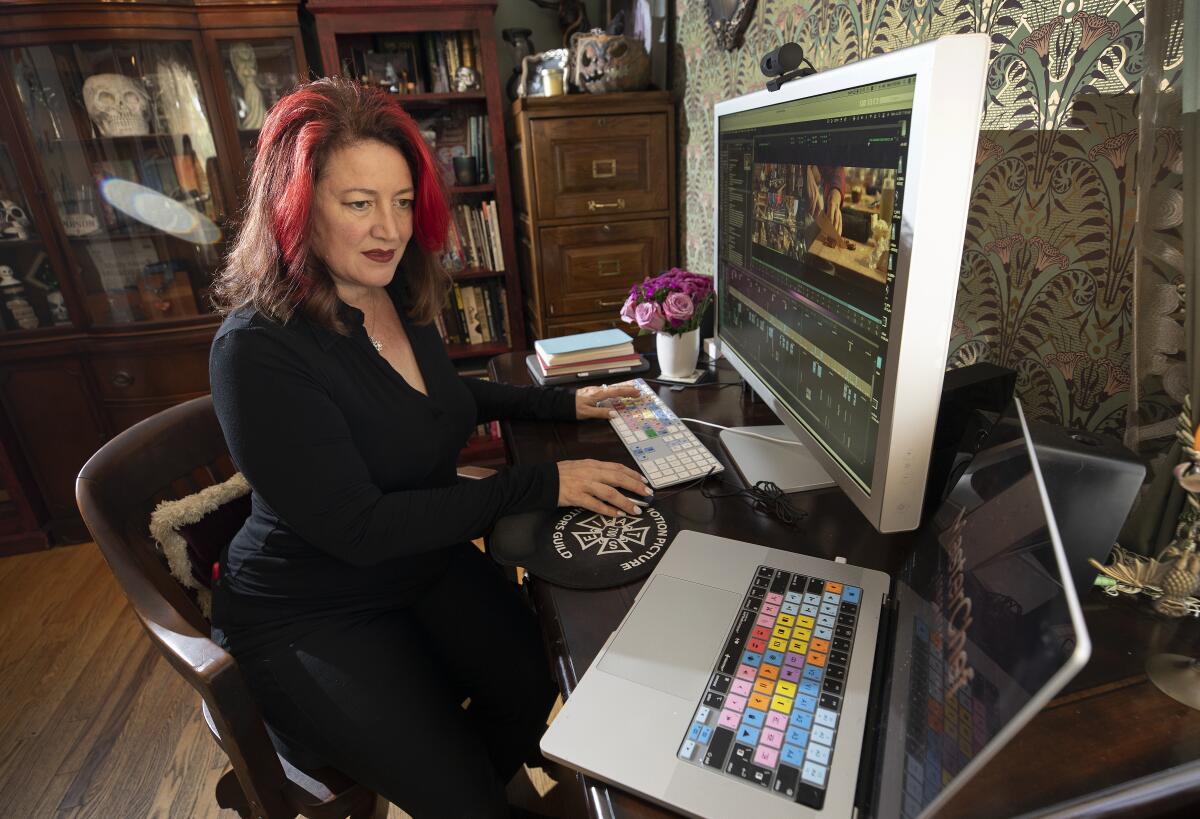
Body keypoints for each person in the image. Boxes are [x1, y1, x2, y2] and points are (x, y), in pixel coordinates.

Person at [208, 77, 651, 817]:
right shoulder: (255, 350)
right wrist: (537, 482)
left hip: (415, 558)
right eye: (359, 203)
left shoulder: (390, 288)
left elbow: (440, 399)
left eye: (403, 201)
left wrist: (562, 400)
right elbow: (360, 527)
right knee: (463, 789)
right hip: (310, 605)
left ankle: (469, 789)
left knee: (536, 674)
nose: (390, 227)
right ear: (295, 205)